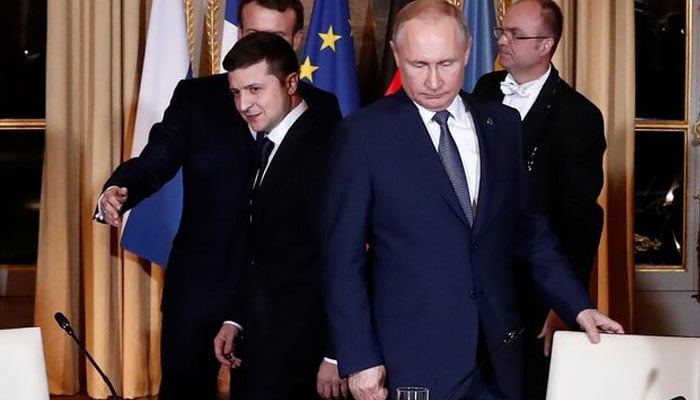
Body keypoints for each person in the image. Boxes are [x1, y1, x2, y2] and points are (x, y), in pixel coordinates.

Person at [320, 1, 623, 400]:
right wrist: (358, 358)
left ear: (467, 53)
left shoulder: (501, 124)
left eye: (445, 64)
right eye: (417, 65)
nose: (432, 80)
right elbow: (342, 260)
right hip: (409, 361)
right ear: (397, 55)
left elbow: (531, 233)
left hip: (499, 357)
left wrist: (578, 307)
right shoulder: (362, 135)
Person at [94, 0, 341, 398]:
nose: (259, 46)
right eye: (250, 35)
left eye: (274, 38)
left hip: (275, 302)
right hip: (201, 288)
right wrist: (120, 189)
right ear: (237, 35)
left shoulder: (321, 107)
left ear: (296, 41)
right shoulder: (197, 98)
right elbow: (155, 159)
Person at [472, 1, 606, 398]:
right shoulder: (483, 89)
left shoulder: (578, 116)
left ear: (546, 45)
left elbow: (581, 219)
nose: (502, 40)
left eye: (516, 34)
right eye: (502, 30)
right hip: (476, 280)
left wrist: (565, 303)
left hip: (532, 287)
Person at [211, 32, 346, 400]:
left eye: (255, 90)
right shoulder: (272, 140)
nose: (244, 104)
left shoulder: (323, 147)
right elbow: (262, 249)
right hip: (261, 346)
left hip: (304, 354)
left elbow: (342, 256)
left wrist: (336, 354)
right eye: (236, 92)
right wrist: (235, 317)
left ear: (290, 83)